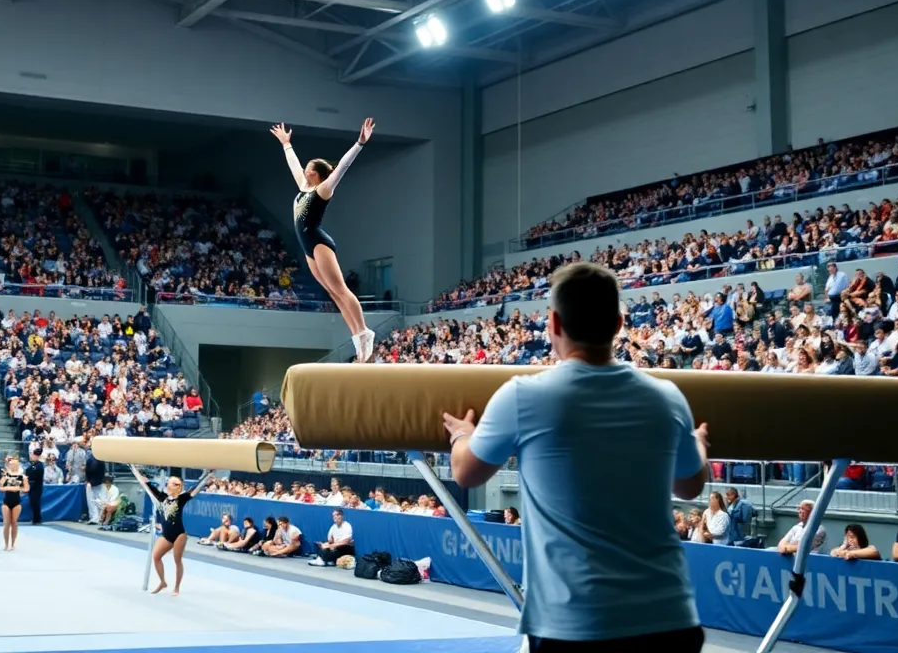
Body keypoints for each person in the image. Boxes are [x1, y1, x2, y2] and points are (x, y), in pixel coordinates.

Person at [441, 262, 709, 652]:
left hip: (575, 624)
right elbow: (689, 484)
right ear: (619, 324)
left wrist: (463, 436)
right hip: (668, 617)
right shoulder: (667, 398)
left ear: (553, 323)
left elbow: (466, 473)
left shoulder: (524, 396)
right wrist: (698, 442)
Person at [271, 117, 377, 362]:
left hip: (319, 243)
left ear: (316, 174)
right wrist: (286, 144)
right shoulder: (303, 187)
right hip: (308, 248)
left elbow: (342, 167)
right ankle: (357, 339)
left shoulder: (323, 190)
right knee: (332, 292)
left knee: (341, 289)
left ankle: (365, 332)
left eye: (309, 168)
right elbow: (293, 165)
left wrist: (359, 143)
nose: (304, 170)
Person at [145, 472, 212, 595]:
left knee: (177, 560)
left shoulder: (181, 499)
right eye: (168, 483)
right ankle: (162, 582)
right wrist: (133, 468)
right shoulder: (162, 497)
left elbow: (197, 487)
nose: (168, 485)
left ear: (178, 487)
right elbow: (145, 483)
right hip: (166, 534)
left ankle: (176, 587)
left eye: (171, 483)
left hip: (179, 534)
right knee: (156, 556)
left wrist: (209, 474)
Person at [0, 455, 28, 551]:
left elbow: (27, 488)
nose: (13, 466)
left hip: (16, 502)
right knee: (6, 523)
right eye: (11, 464)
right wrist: (9, 488)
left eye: (15, 464)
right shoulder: (6, 476)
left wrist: (19, 488)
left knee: (14, 522)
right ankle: (6, 544)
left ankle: (13, 543)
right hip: (6, 502)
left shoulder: (22, 477)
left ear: (18, 465)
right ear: (9, 465)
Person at [25, 449, 45, 525]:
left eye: (33, 455)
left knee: (36, 503)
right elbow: (28, 471)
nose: (32, 456)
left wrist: (30, 474)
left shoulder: (40, 465)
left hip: (37, 487)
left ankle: (37, 519)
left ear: (37, 456)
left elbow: (34, 473)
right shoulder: (34, 465)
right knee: (33, 503)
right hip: (32, 486)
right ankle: (35, 518)